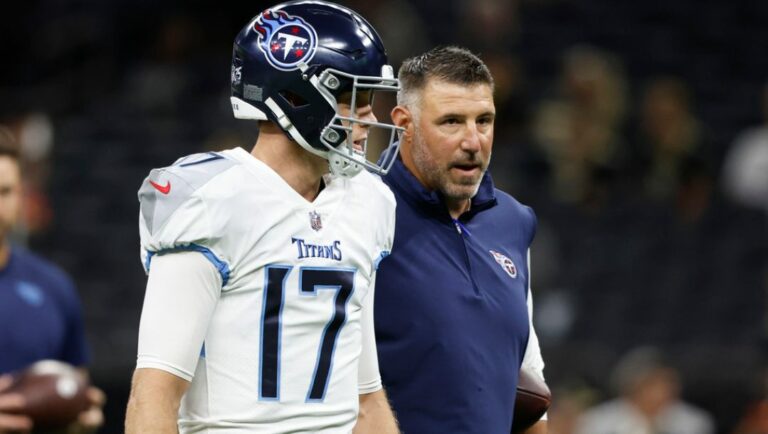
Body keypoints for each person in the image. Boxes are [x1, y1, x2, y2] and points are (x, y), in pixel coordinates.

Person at [124, 2, 403, 433]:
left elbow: (366, 397)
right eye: (357, 99)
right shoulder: (212, 199)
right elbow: (154, 392)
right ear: (299, 97)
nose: (370, 119)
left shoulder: (369, 203)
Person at [373, 46, 547, 433]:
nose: (473, 141)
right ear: (404, 123)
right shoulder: (362, 210)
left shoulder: (514, 221)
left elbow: (527, 374)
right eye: (451, 122)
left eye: (483, 121)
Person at [0, 133, 104, 433]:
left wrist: (77, 412)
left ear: (21, 194)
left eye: (4, 191)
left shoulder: (53, 287)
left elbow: (76, 381)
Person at [575, 346, 714, 434]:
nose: (667, 390)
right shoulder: (598, 421)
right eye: (656, 384)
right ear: (635, 386)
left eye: (670, 383)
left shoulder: (694, 422)